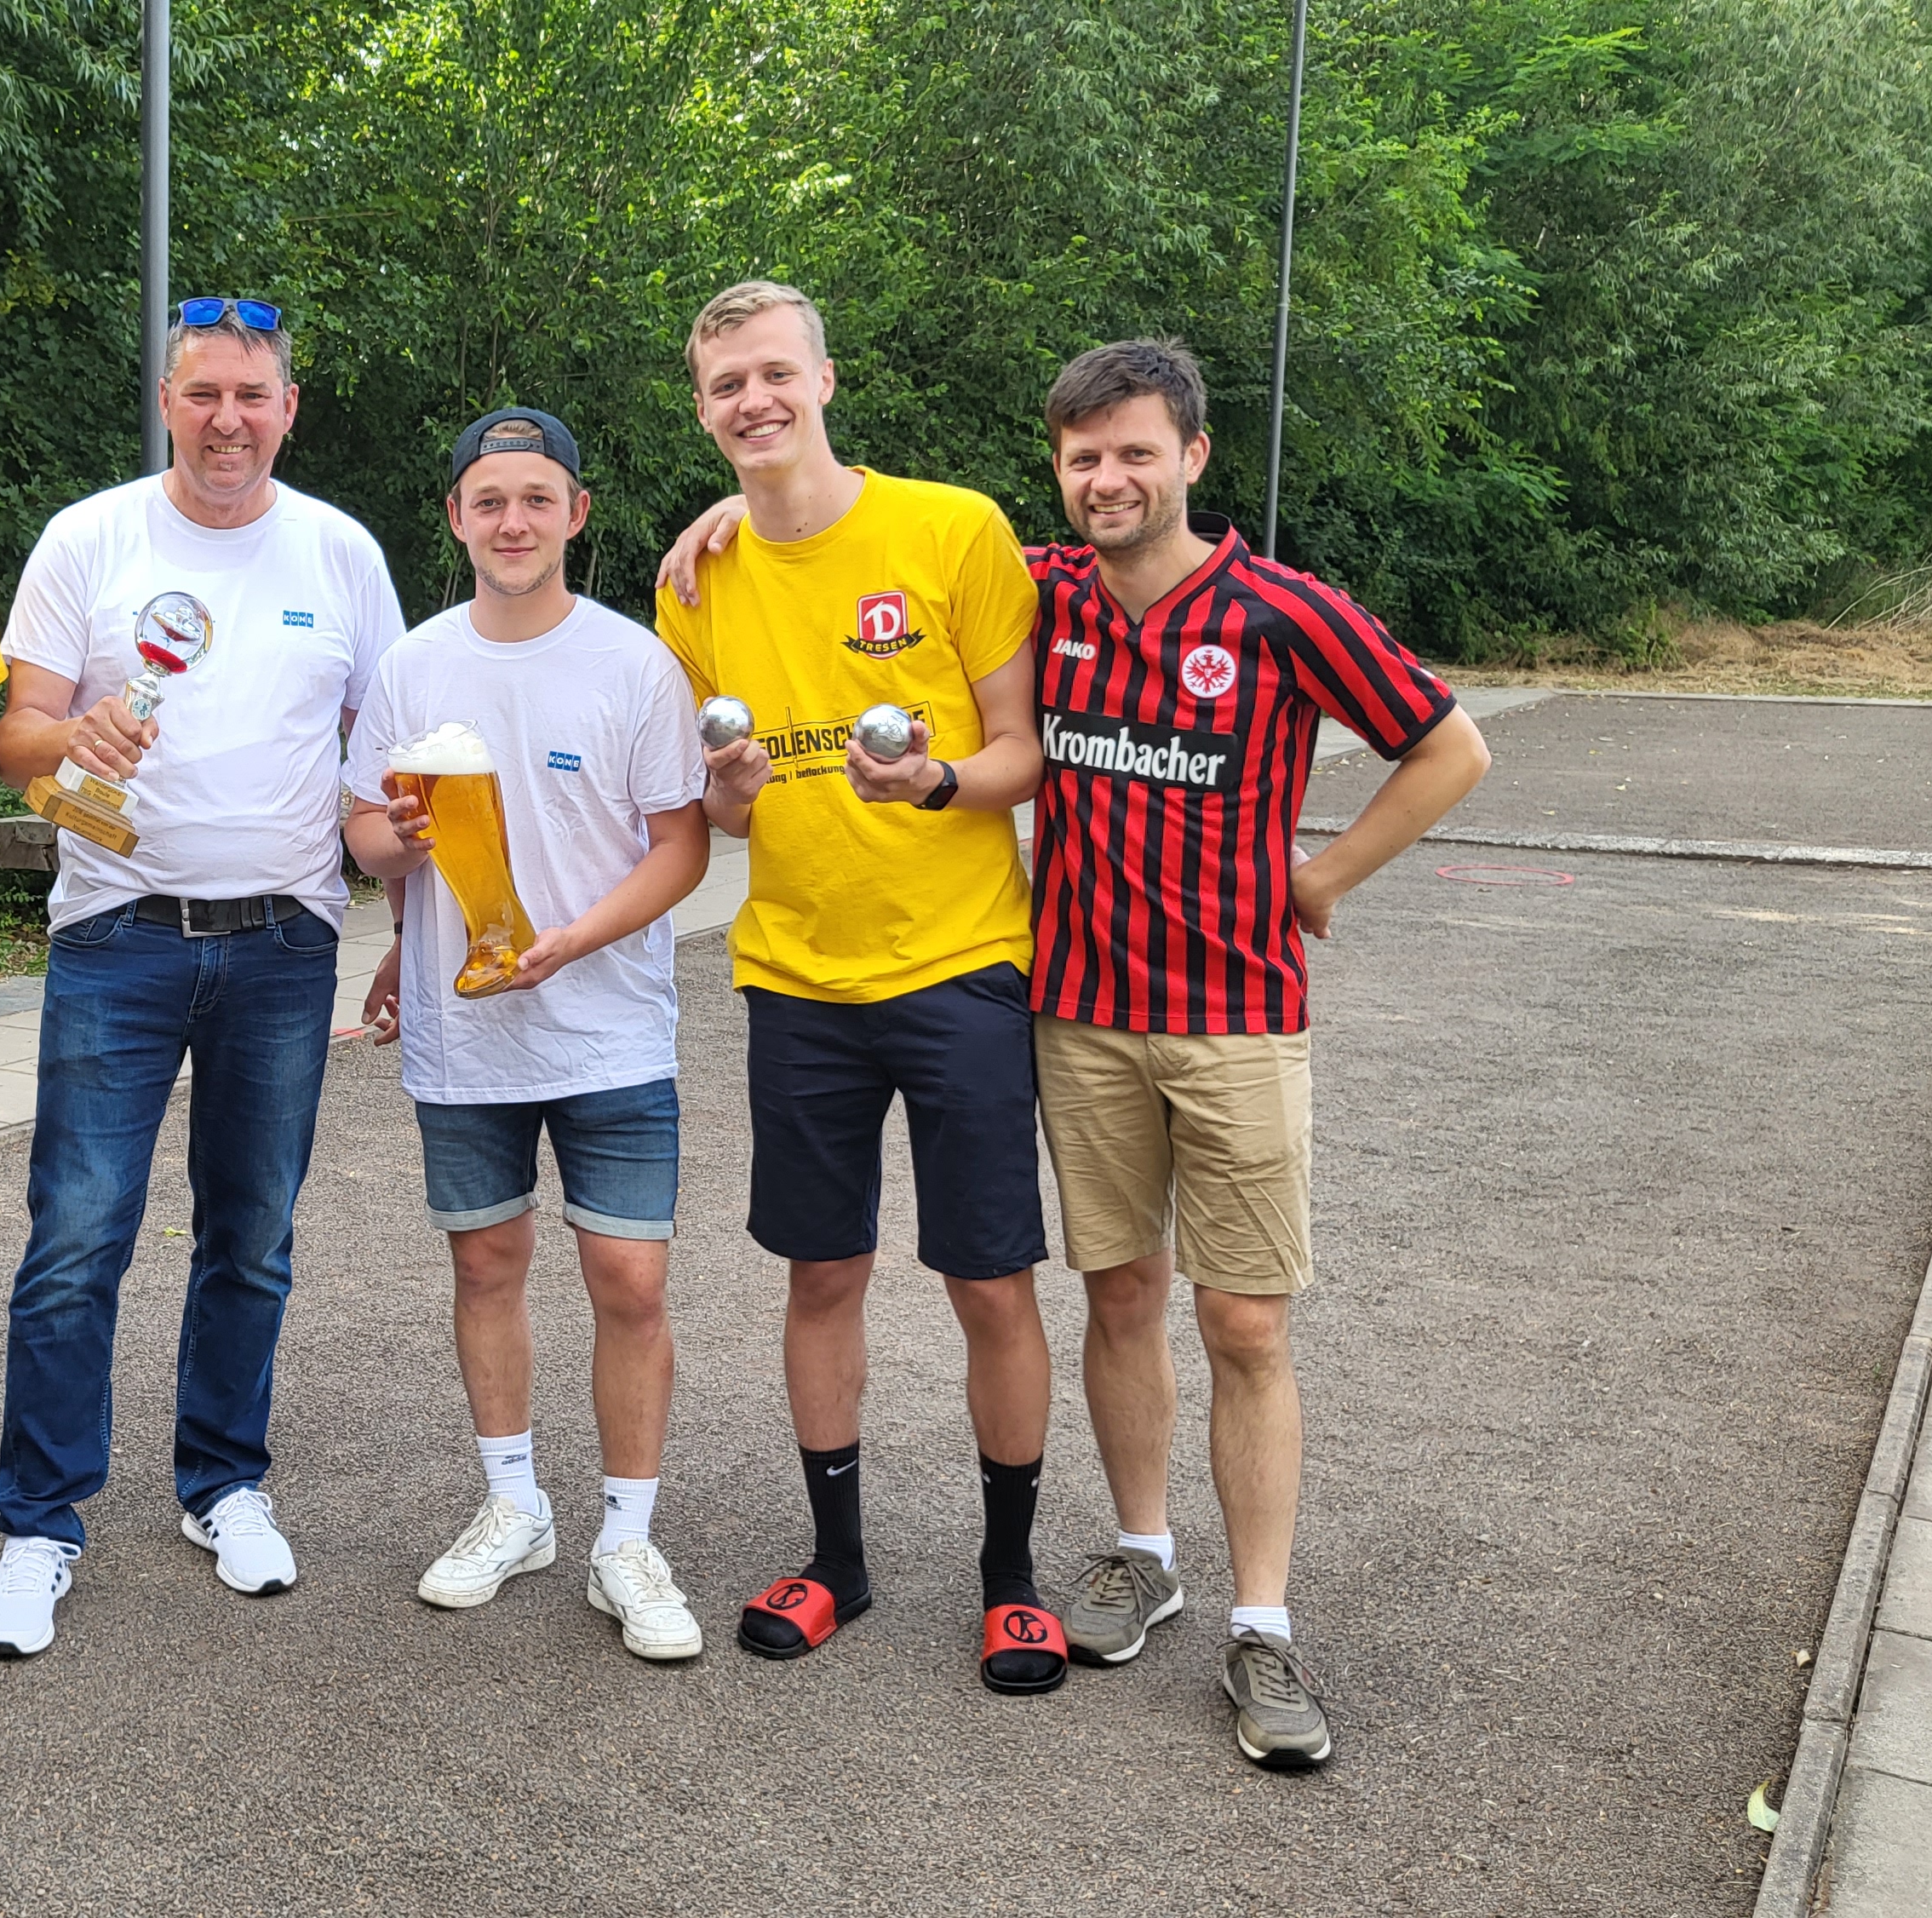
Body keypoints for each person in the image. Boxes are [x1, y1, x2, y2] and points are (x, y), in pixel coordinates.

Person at [1018, 339, 1484, 1767]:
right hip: (1080, 1015)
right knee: (1119, 1295)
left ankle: (1263, 1626)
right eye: (1085, 456)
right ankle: (1143, 1555)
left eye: (1134, 452)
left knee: (1245, 1325)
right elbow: (871, 548)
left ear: (1193, 458)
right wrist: (725, 511)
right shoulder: (1039, 592)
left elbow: (1450, 747)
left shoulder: (1282, 611)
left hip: (1236, 1023)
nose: (1108, 478)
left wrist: (1325, 876)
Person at [648, 281, 1070, 1691]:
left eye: (776, 373)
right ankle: (839, 1562)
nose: (754, 400)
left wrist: (936, 781)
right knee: (821, 1273)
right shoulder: (694, 580)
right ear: (703, 411)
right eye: (727, 385)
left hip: (960, 964)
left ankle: (1011, 1579)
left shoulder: (951, 528)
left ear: (825, 379)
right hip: (796, 977)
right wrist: (727, 786)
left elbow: (1023, 751)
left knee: (990, 1281)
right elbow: (723, 812)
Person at [0, 298, 404, 1657]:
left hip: (285, 941)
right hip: (119, 933)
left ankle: (224, 1485)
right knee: (76, 1238)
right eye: (204, 393)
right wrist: (68, 736)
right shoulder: (89, 537)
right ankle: (40, 1522)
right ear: (167, 400)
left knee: (252, 1238)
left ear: (289, 409)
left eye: (252, 396)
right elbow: (13, 737)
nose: (228, 419)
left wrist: (415, 931)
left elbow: (386, 760)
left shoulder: (340, 550)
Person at [340, 408, 712, 1662]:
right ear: (456, 517)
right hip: (466, 1032)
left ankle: (627, 1538)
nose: (513, 522)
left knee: (631, 1281)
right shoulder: (414, 666)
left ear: (575, 515)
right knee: (487, 1266)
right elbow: (366, 835)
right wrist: (401, 848)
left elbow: (681, 847)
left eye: (536, 499)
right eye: (490, 500)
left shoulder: (634, 665)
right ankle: (516, 1507)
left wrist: (574, 940)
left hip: (609, 1027)